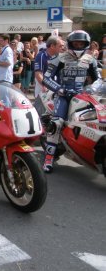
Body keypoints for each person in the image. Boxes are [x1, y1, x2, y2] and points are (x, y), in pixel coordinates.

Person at [41, 30, 101, 173]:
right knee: (56, 123)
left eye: (81, 43)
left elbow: (98, 79)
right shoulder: (59, 58)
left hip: (83, 96)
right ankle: (48, 158)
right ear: (70, 43)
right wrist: (59, 89)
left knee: (97, 121)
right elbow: (46, 78)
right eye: (76, 43)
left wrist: (91, 88)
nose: (78, 45)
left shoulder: (90, 59)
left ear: (86, 44)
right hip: (64, 96)